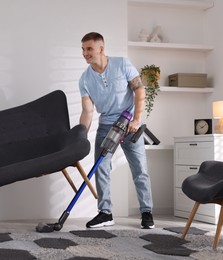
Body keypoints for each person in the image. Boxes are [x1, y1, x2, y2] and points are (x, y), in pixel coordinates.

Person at [78, 32, 155, 229]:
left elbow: (139, 90)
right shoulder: (85, 79)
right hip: (106, 126)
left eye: (89, 49)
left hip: (129, 123)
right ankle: (105, 213)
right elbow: (87, 111)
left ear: (101, 48)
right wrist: (80, 137)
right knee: (101, 168)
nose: (85, 53)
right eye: (83, 49)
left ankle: (146, 212)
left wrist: (137, 120)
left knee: (140, 169)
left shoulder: (122, 64)